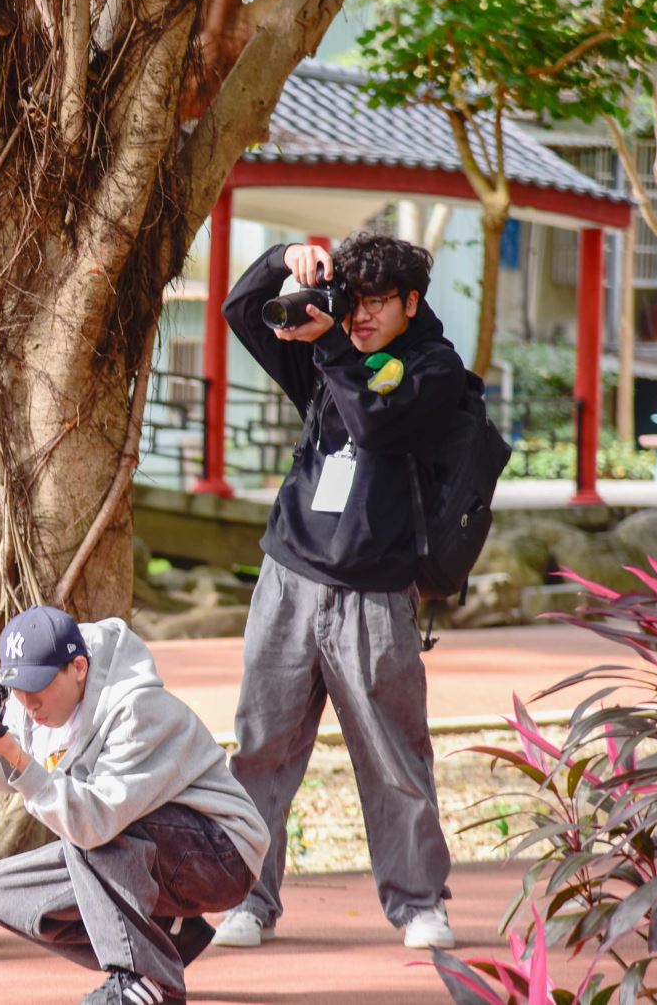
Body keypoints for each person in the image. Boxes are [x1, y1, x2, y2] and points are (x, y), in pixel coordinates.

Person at [214, 234, 464, 952]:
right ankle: (246, 900)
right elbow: (242, 309)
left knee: (393, 754)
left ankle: (418, 902)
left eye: (378, 302)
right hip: (289, 574)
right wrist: (288, 259)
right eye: (354, 300)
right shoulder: (332, 346)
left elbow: (375, 424)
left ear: (411, 303)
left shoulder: (435, 369)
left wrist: (330, 346)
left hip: (376, 591)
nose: (361, 316)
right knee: (260, 749)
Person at [0, 606, 268, 1005]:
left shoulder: (136, 708)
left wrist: (20, 761)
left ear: (78, 667)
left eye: (39, 686)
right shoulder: (30, 708)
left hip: (223, 853)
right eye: (18, 687)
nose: (28, 702)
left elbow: (93, 820)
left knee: (88, 826)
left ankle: (148, 978)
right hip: (141, 847)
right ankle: (167, 938)